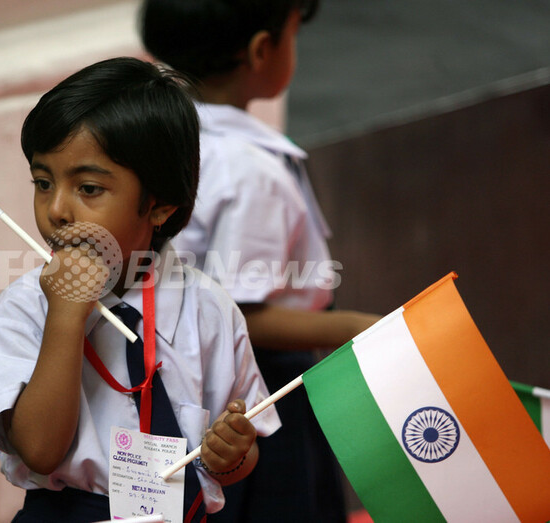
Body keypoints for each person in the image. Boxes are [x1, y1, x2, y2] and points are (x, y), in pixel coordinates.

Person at [0, 57, 281, 522]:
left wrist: (232, 455)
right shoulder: (25, 307)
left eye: (89, 189)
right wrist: (66, 315)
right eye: (43, 182)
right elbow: (39, 450)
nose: (57, 209)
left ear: (159, 205)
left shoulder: (209, 310)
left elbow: (241, 454)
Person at [140, 1, 381, 521]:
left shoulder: (172, 142)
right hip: (261, 391)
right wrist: (361, 327)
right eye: (294, 34)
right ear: (261, 49)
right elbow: (243, 312)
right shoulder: (248, 168)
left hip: (188, 379)